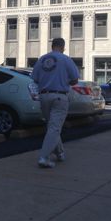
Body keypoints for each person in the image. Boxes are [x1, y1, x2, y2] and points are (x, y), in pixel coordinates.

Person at [32, 37, 79, 168]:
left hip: (44, 96)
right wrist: (64, 81)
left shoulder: (42, 59)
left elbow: (35, 79)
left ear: (52, 46)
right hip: (59, 96)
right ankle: (44, 157)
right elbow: (75, 79)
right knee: (54, 127)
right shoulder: (66, 59)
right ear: (63, 47)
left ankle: (60, 153)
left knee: (52, 126)